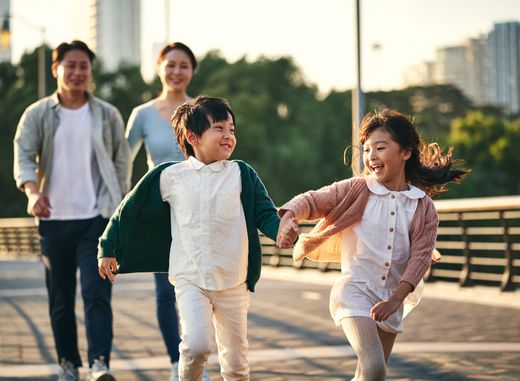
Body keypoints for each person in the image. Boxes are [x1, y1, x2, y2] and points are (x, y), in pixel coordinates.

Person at [276, 109, 468, 381]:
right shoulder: (357, 189)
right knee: (375, 366)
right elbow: (312, 199)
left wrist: (396, 298)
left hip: (392, 296)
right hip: (355, 291)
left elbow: (421, 257)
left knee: (370, 375)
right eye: (366, 150)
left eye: (380, 148)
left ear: (406, 152)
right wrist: (289, 217)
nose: (371, 156)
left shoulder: (423, 207)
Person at [98, 96, 280, 381]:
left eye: (232, 129)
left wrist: (284, 231)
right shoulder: (170, 176)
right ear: (192, 136)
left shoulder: (242, 174)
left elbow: (266, 214)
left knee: (235, 364)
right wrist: (107, 247)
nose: (228, 135)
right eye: (219, 128)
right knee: (196, 346)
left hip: (233, 280)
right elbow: (127, 210)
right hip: (189, 278)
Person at [13, 40, 130, 381]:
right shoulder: (37, 114)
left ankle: (99, 364)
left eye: (84, 66)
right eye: (71, 65)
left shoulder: (107, 114)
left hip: (97, 219)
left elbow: (122, 160)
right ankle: (68, 364)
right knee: (61, 299)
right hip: (53, 219)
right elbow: (23, 154)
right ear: (56, 69)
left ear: (90, 72)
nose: (78, 72)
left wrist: (119, 207)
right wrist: (32, 192)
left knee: (97, 294)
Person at [125, 42, 211, 381]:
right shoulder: (143, 114)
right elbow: (122, 161)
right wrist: (126, 207)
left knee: (204, 288)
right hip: (160, 215)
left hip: (201, 211)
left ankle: (198, 361)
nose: (176, 71)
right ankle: (179, 362)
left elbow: (221, 150)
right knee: (165, 292)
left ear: (192, 71)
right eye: (170, 64)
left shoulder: (204, 110)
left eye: (184, 65)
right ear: (159, 68)